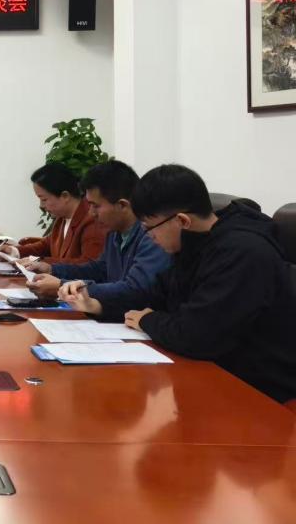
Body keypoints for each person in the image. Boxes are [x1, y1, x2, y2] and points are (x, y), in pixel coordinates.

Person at [63, 164, 296, 404]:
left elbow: (197, 336)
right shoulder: (194, 243)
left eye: (149, 230)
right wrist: (99, 306)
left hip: (257, 391)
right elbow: (155, 294)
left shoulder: (243, 253)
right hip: (209, 375)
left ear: (182, 221)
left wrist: (147, 320)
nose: (150, 238)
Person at [28, 161, 170, 300]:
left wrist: (63, 286)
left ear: (122, 205)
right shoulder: (114, 232)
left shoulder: (153, 236)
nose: (91, 213)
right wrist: (52, 269)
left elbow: (134, 289)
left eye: (95, 206)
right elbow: (99, 270)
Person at [0, 162, 107, 266]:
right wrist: (14, 251)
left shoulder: (92, 221)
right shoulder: (62, 217)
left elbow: (88, 265)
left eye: (44, 199)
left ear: (65, 196)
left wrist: (40, 262)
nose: (41, 205)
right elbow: (47, 245)